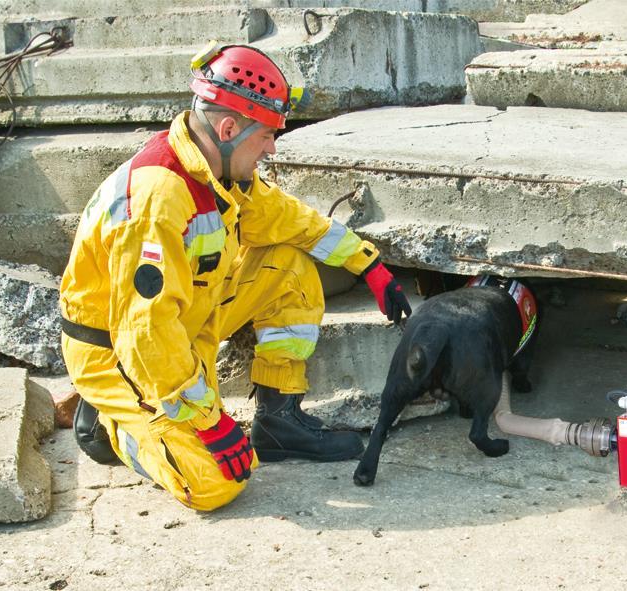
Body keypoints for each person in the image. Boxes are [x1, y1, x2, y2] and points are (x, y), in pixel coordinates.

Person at [59, 41, 411, 511]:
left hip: (185, 325)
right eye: (266, 135)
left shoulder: (217, 171)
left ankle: (278, 421)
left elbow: (284, 217)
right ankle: (113, 427)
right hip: (124, 355)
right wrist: (211, 422)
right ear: (228, 127)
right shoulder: (157, 201)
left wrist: (366, 263)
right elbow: (145, 336)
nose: (270, 148)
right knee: (214, 487)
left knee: (289, 266)